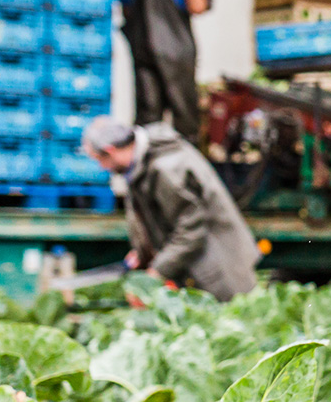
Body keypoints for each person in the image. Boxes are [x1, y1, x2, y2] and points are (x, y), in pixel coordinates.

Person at [81, 115, 259, 301]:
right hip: (202, 268)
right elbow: (162, 218)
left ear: (111, 150)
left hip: (221, 270)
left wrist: (155, 273)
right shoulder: (144, 162)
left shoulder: (166, 168)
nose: (102, 167)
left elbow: (191, 231)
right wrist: (143, 252)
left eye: (99, 160)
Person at [118, 0, 210, 142]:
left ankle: (148, 170)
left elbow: (127, 10)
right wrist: (207, 1)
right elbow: (195, 4)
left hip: (142, 51)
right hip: (175, 52)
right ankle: (183, 171)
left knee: (147, 118)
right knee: (184, 117)